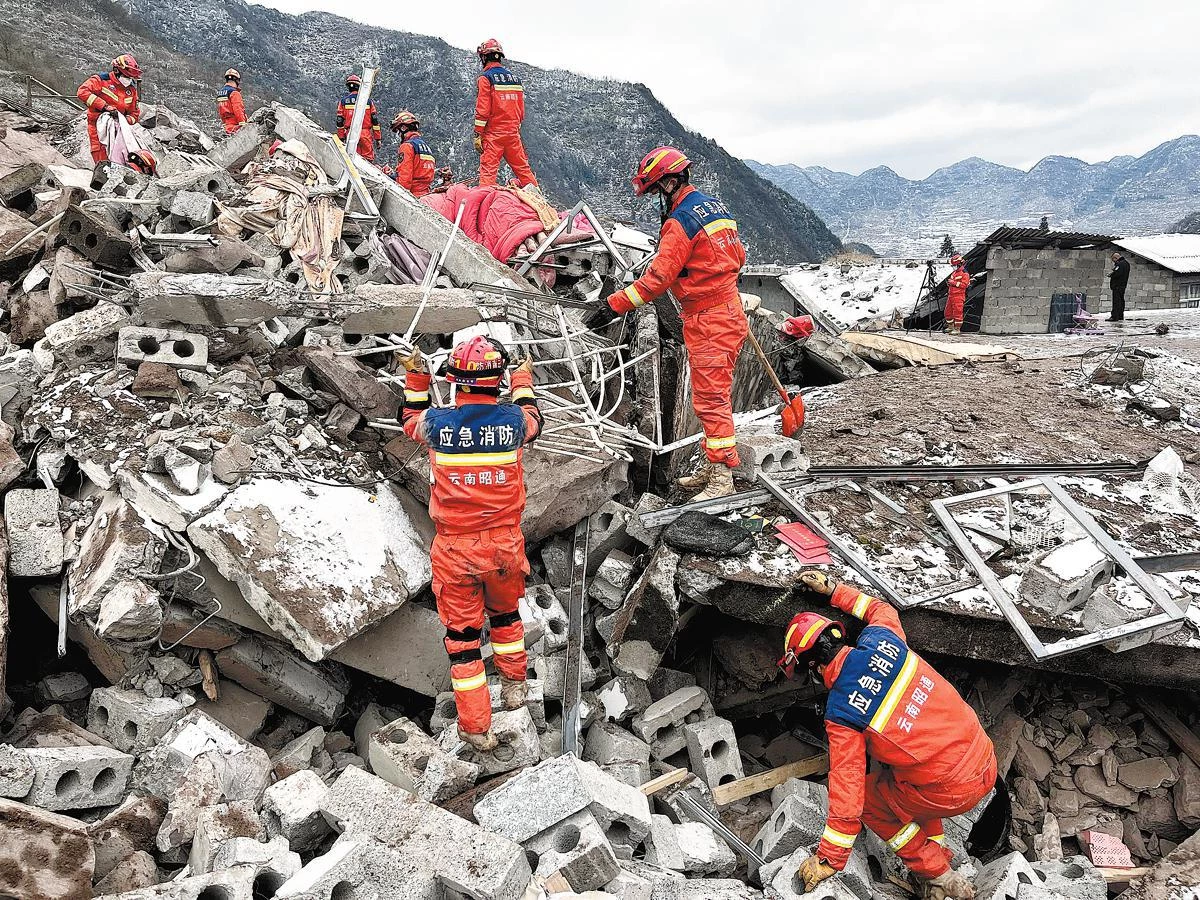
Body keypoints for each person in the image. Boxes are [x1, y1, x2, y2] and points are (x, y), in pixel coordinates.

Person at [777, 571, 995, 900]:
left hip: (949, 791)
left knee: (870, 800)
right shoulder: (883, 641)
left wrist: (829, 858)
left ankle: (937, 873)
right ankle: (937, 853)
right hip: (984, 759)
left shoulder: (842, 712)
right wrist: (834, 590)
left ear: (815, 669)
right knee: (900, 778)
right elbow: (882, 609)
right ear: (837, 637)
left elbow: (848, 789)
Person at [399, 337, 543, 750]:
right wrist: (523, 377)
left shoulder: (438, 426)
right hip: (504, 547)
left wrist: (416, 373)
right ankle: (515, 687)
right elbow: (534, 415)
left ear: (455, 381)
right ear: (496, 382)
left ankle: (476, 727)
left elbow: (409, 416)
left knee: (463, 641)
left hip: (456, 550)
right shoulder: (514, 423)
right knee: (506, 618)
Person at [587, 146, 748, 501]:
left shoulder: (679, 223)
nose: (658, 199)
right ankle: (713, 461)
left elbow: (657, 280)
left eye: (658, 190)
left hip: (709, 318)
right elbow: (739, 256)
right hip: (727, 309)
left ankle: (722, 476)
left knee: (710, 398)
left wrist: (613, 305)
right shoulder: (716, 208)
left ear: (671, 182)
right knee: (712, 394)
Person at [473, 38, 538, 188]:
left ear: (484, 57)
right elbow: (521, 111)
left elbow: (483, 111)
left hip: (493, 135)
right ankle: (541, 204)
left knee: (488, 174)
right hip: (512, 134)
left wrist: (478, 134)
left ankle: (485, 207)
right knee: (523, 171)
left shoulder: (485, 79)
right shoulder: (515, 80)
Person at [77, 54, 142, 165]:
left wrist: (124, 120)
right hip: (97, 126)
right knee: (102, 159)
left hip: (120, 130)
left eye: (130, 78)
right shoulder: (101, 80)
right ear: (116, 71)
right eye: (126, 77)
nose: (128, 80)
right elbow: (82, 92)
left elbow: (135, 114)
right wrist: (104, 106)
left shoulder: (131, 90)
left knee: (122, 159)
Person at [391, 110, 436, 197]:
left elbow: (405, 177)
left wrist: (403, 196)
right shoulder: (426, 147)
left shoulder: (407, 146)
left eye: (397, 130)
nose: (397, 134)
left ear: (403, 128)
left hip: (413, 194)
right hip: (426, 194)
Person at [336, 74, 381, 162]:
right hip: (365, 133)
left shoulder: (343, 102)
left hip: (350, 133)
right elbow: (375, 121)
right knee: (368, 160)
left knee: (351, 158)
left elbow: (339, 121)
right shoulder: (368, 102)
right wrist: (378, 138)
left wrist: (341, 137)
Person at [217, 68, 247, 134]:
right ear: (237, 80)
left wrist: (224, 123)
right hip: (235, 126)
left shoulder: (221, 92)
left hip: (227, 126)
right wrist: (243, 124)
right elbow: (238, 109)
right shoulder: (234, 93)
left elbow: (220, 110)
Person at [945, 254, 969, 335]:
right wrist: (950, 284)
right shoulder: (954, 273)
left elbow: (964, 285)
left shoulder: (964, 273)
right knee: (948, 312)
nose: (953, 267)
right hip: (951, 295)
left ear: (959, 264)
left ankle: (957, 328)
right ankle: (950, 326)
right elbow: (953, 282)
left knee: (957, 313)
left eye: (954, 265)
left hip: (958, 296)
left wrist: (954, 283)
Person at [1108, 251, 1130, 322]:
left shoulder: (1119, 264)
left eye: (1113, 260)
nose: (1113, 262)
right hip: (1123, 285)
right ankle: (1120, 315)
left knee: (1116, 302)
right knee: (1121, 301)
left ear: (1116, 258)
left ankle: (1115, 316)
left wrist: (1111, 275)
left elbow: (1118, 273)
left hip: (1117, 286)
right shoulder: (1126, 263)